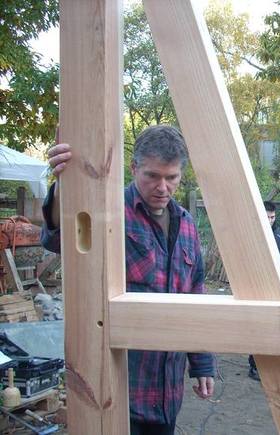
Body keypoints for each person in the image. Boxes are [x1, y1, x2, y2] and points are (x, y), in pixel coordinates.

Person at [41, 125, 215, 435]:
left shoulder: (187, 224)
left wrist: (202, 363)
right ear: (134, 168)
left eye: (171, 177)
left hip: (167, 392)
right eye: (152, 176)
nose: (162, 187)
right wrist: (64, 184)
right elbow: (58, 239)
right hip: (118, 392)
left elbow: (195, 294)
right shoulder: (107, 210)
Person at [248, 201, 280, 381]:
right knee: (260, 326)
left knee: (277, 327)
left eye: (272, 217)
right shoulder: (254, 235)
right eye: (266, 217)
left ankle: (275, 366)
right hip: (259, 287)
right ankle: (255, 366)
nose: (269, 220)